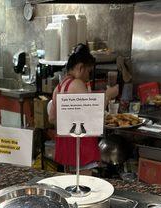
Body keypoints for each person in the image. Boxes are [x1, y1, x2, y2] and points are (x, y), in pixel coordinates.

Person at [48, 43, 118, 173]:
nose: (88, 76)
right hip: (81, 146)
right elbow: (92, 116)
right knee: (85, 185)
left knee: (69, 185)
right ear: (80, 67)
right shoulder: (77, 84)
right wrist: (108, 96)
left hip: (65, 145)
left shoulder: (59, 87)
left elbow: (52, 118)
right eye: (88, 72)